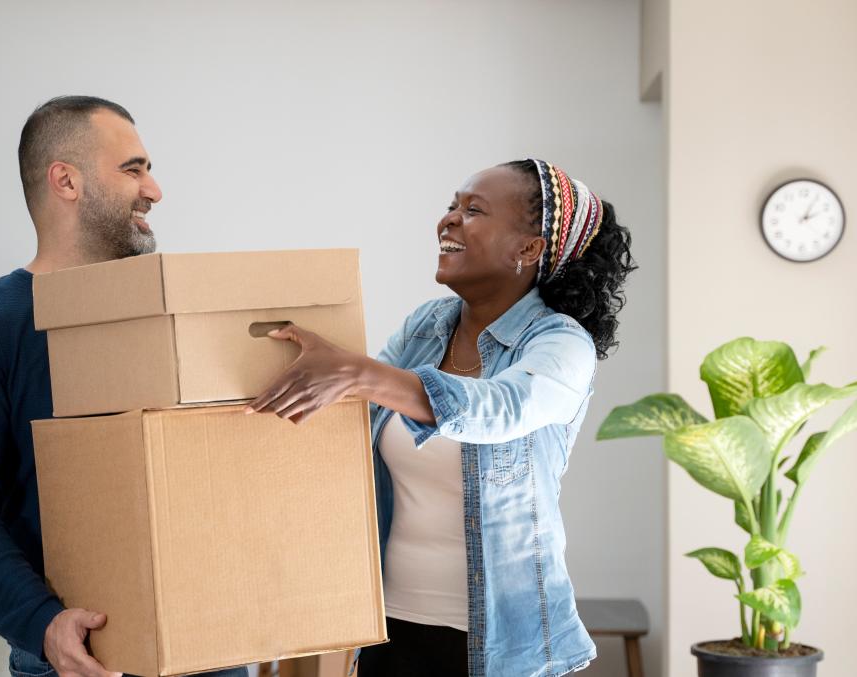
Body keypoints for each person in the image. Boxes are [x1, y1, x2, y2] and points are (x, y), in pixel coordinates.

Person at [246, 158, 636, 676]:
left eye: (472, 210)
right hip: (390, 626)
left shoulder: (560, 343)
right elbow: (355, 418)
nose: (448, 220)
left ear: (528, 248)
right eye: (452, 205)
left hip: (500, 646)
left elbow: (502, 408)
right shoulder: (428, 325)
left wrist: (356, 373)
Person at [0, 96, 248, 677]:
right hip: (80, 657)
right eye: (134, 168)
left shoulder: (169, 314)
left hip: (211, 647)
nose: (154, 191)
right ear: (66, 181)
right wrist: (43, 623)